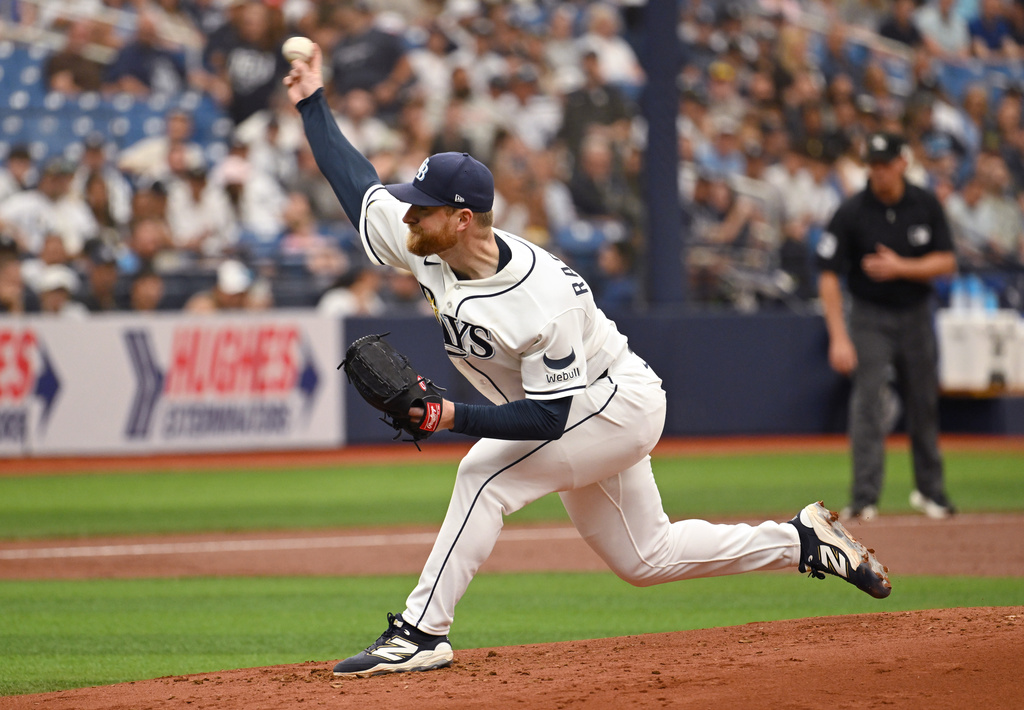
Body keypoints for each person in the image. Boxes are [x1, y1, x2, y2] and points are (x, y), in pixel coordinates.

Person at [284, 44, 891, 680]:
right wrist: (312, 102)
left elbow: (549, 418)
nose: (408, 214)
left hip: (612, 403)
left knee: (483, 478)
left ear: (462, 220)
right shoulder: (425, 244)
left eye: (424, 207)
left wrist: (446, 414)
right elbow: (358, 187)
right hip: (575, 410)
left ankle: (421, 632)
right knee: (645, 558)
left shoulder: (542, 298)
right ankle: (802, 540)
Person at [816, 132, 958, 522]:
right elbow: (827, 274)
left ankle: (932, 492)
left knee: (923, 401)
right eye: (873, 165)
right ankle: (864, 498)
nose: (878, 172)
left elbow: (947, 261)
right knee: (868, 402)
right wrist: (838, 336)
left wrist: (901, 267)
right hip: (868, 316)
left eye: (885, 163)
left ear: (902, 163)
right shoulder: (852, 211)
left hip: (915, 312)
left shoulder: (925, 204)